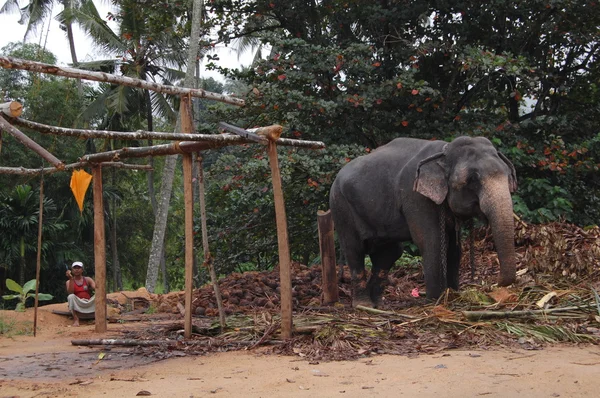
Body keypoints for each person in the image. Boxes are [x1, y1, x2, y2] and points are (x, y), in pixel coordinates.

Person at [65, 261, 96, 326]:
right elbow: (70, 292)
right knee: (71, 296)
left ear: (82, 270)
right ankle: (76, 319)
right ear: (72, 270)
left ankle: (99, 317)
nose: (76, 269)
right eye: (75, 268)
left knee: (98, 295)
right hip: (78, 304)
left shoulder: (87, 279)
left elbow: (97, 289)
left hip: (88, 302)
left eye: (78, 268)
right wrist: (71, 279)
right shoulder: (68, 281)